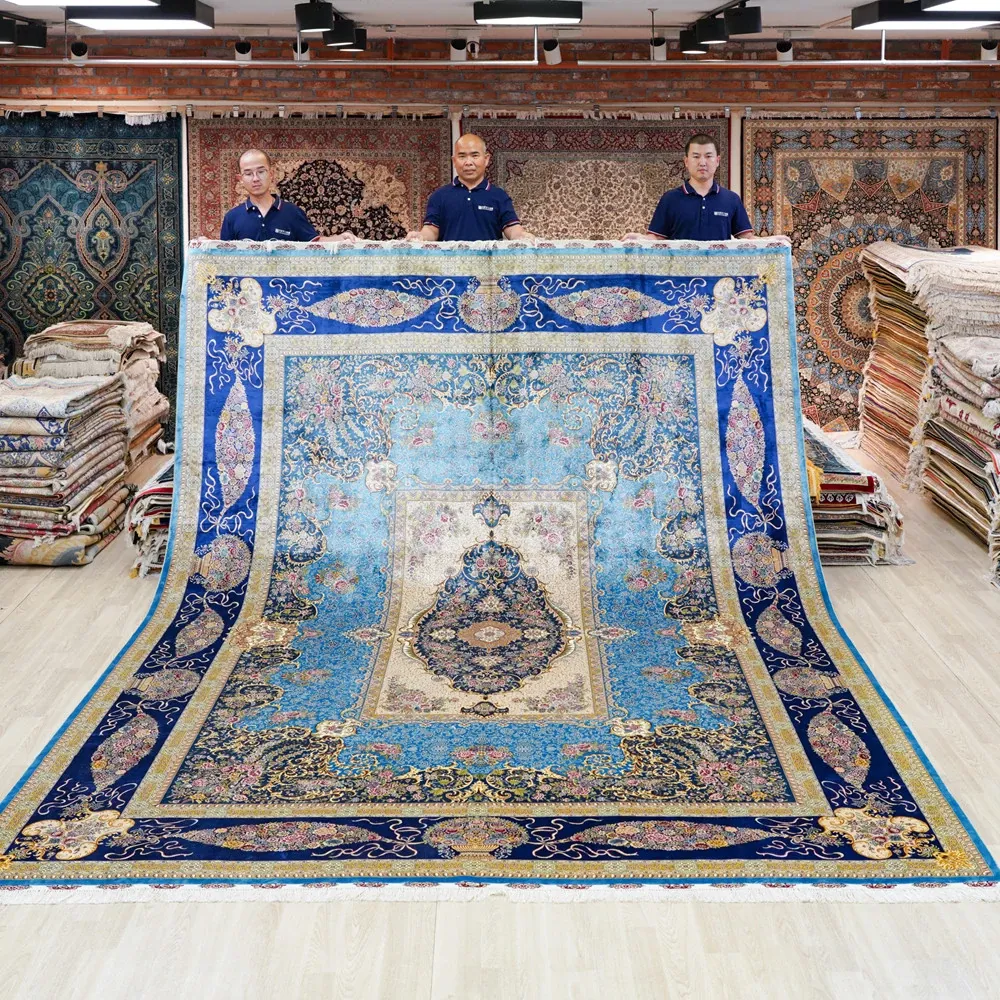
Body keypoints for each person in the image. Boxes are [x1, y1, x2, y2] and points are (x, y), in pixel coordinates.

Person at [624, 133, 753, 241]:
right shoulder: (670, 199)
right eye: (696, 156)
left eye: (708, 156)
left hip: (721, 266)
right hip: (679, 265)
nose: (702, 162)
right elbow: (657, 238)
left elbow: (747, 239)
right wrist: (640, 238)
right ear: (686, 161)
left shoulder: (732, 199)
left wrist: (765, 241)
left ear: (717, 161)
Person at [407, 134, 535, 242]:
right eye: (462, 156)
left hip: (488, 263)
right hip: (450, 263)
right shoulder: (439, 196)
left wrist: (521, 235)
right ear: (454, 161)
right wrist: (421, 236)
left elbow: (512, 228)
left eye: (474, 156)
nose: (468, 162)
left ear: (486, 159)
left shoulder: (499, 196)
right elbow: (431, 230)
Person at [219, 148, 355, 243]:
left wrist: (339, 239)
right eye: (248, 173)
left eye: (261, 171)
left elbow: (313, 243)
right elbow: (222, 258)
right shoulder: (232, 218)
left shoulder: (293, 213)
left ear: (271, 174)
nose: (255, 178)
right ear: (240, 179)